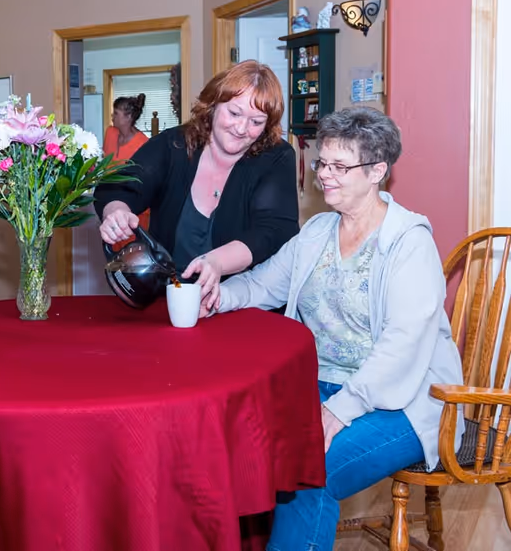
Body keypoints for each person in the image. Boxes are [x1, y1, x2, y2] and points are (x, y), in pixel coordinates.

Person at [204, 107, 464, 550]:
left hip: (406, 400)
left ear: (378, 170)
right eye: (322, 163)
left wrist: (342, 408)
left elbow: (402, 348)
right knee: (238, 443)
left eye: (340, 166)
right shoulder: (318, 231)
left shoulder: (408, 243)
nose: (325, 175)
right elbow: (262, 284)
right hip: (319, 386)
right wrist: (215, 295)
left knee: (308, 474)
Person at [95, 60, 299, 306]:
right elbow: (119, 185)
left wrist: (218, 262)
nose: (242, 128)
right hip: (171, 299)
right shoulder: (174, 144)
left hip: (242, 302)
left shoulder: (276, 157)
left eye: (256, 122)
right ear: (212, 105)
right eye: (234, 113)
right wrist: (116, 211)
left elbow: (274, 231)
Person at [102, 93, 150, 250]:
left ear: (128, 117)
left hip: (135, 209)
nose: (112, 116)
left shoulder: (143, 144)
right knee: (113, 254)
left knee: (131, 255)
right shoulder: (110, 133)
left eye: (116, 113)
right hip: (110, 204)